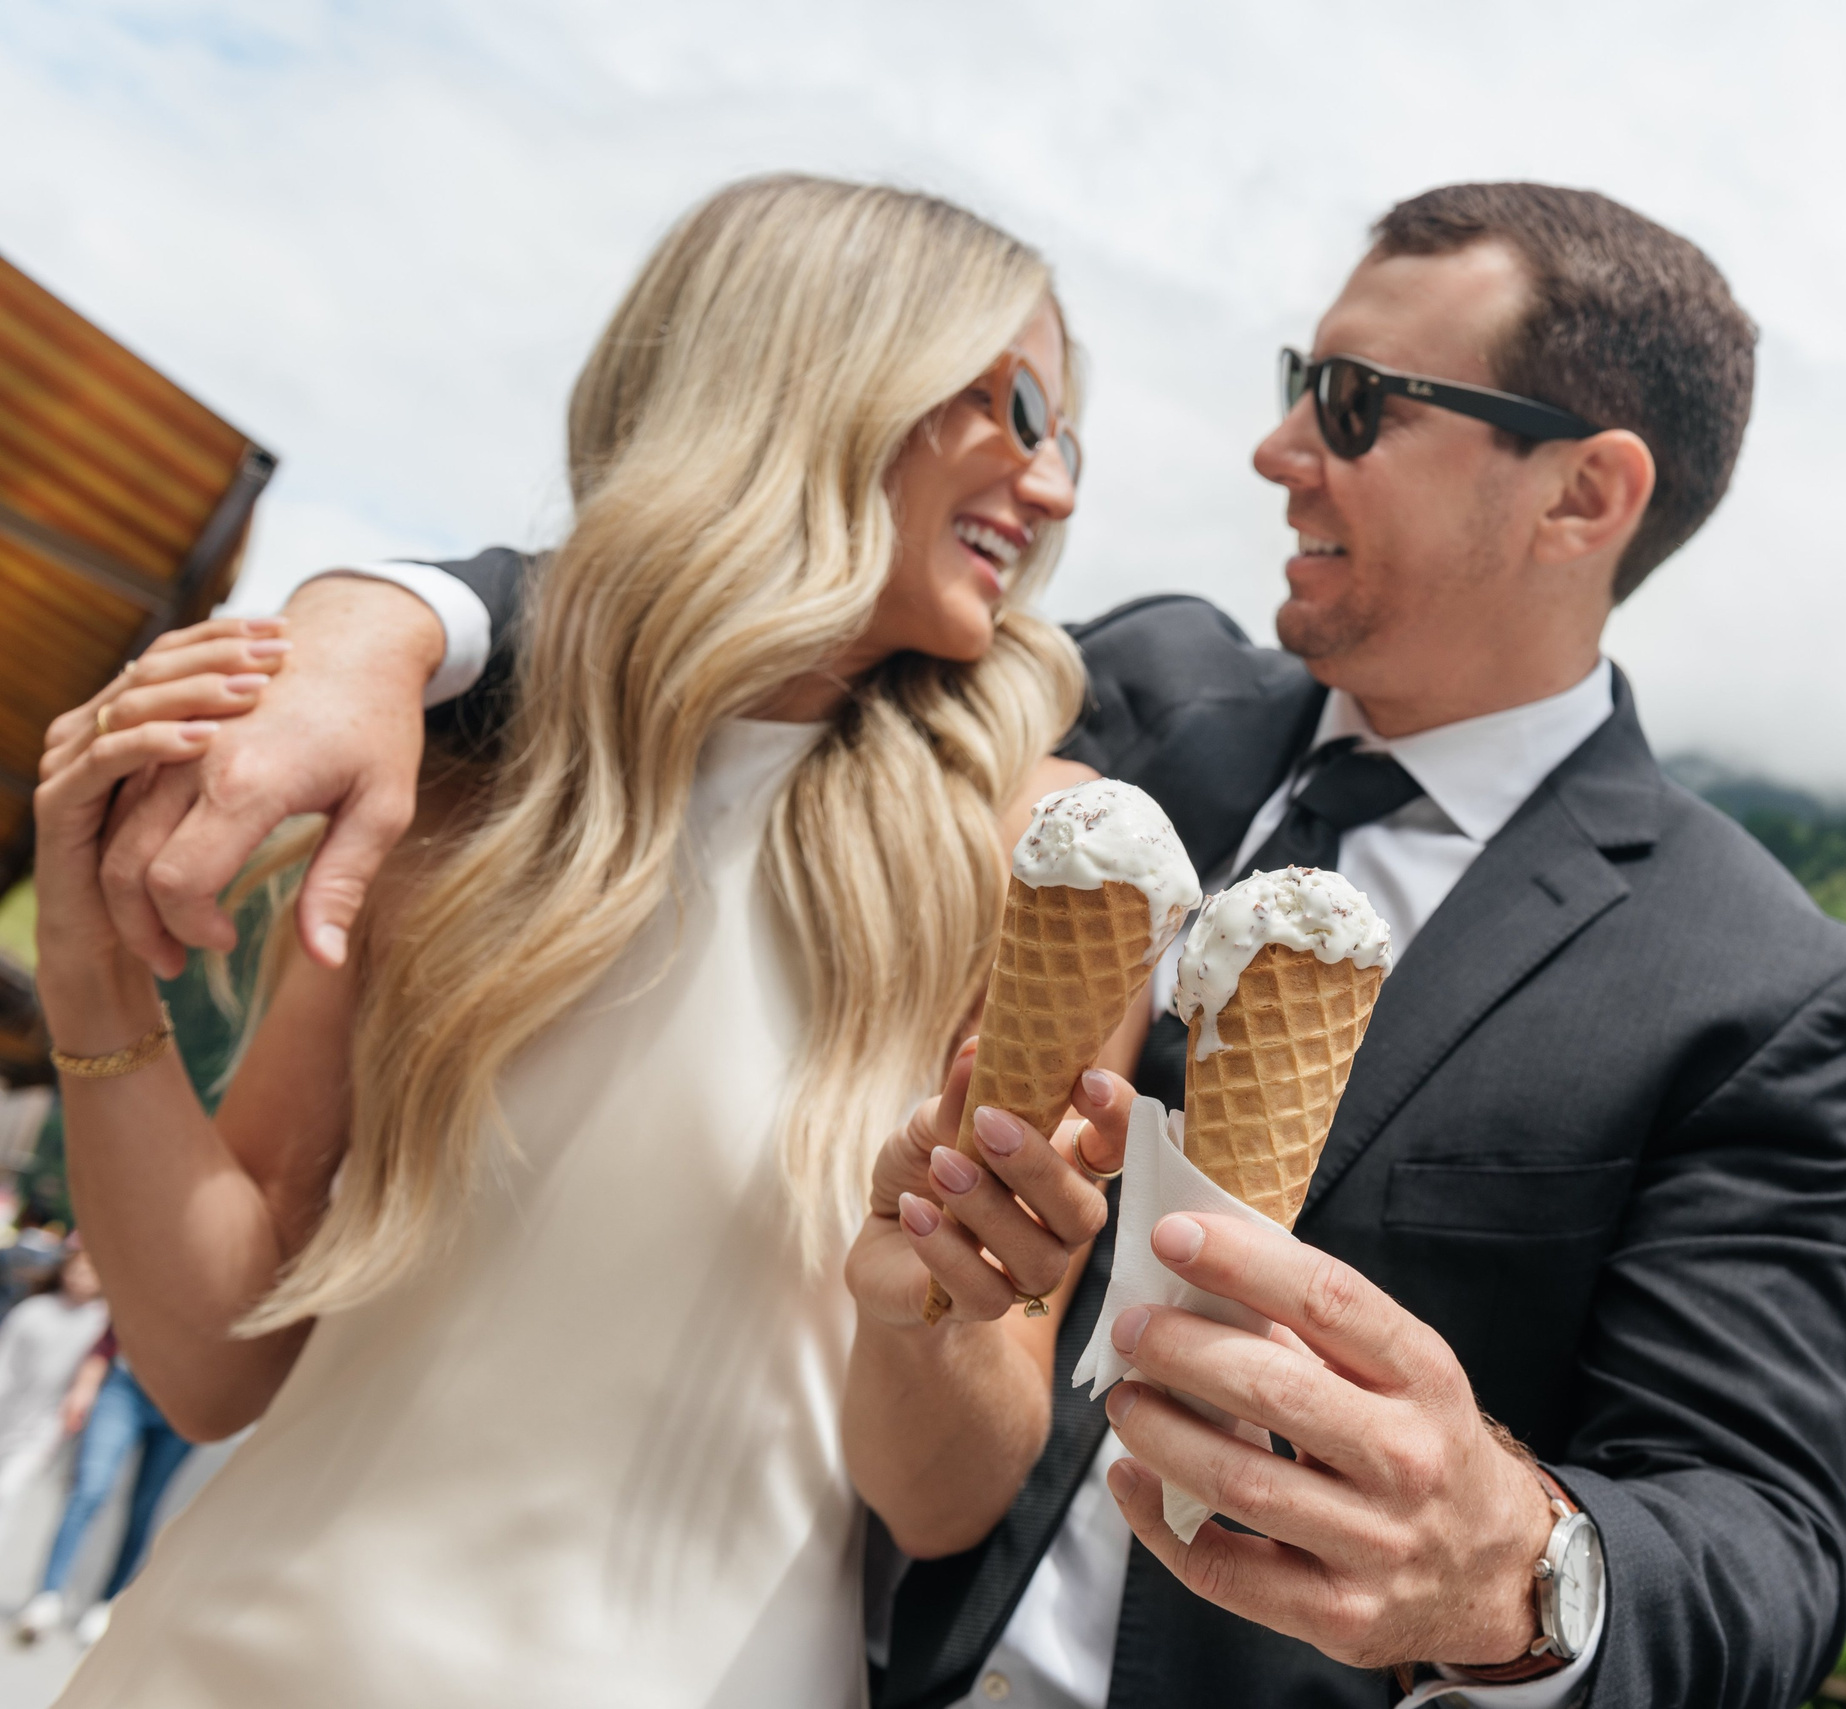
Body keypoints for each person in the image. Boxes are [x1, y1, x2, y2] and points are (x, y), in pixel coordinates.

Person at [98, 182, 1846, 1708]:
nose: (1278, 448)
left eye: (1356, 403)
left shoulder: (1747, 983)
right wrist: (374, 622)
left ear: (1582, 497)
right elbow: (694, 617)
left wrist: (1518, 1563)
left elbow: (1764, 1535)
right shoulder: (1108, 705)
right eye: (1300, 382)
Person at [29, 173, 1152, 1705]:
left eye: (1064, 435)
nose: (1055, 487)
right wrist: (98, 982)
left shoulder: (1056, 857)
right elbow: (220, 1357)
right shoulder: (465, 781)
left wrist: (930, 1315)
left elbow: (944, 1497)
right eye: (1019, 405)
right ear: (813, 370)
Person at [13, 1325, 191, 1650]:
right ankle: (47, 1595)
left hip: (189, 1402)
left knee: (144, 1508)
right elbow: (118, 1322)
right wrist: (87, 1381)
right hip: (128, 1382)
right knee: (89, 1489)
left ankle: (107, 1602)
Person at [0, 1247, 110, 1571]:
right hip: (9, 1411)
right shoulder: (34, 1310)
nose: (81, 1279)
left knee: (8, 1491)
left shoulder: (101, 1322)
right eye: (77, 1270)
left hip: (44, 1427)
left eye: (91, 1272)